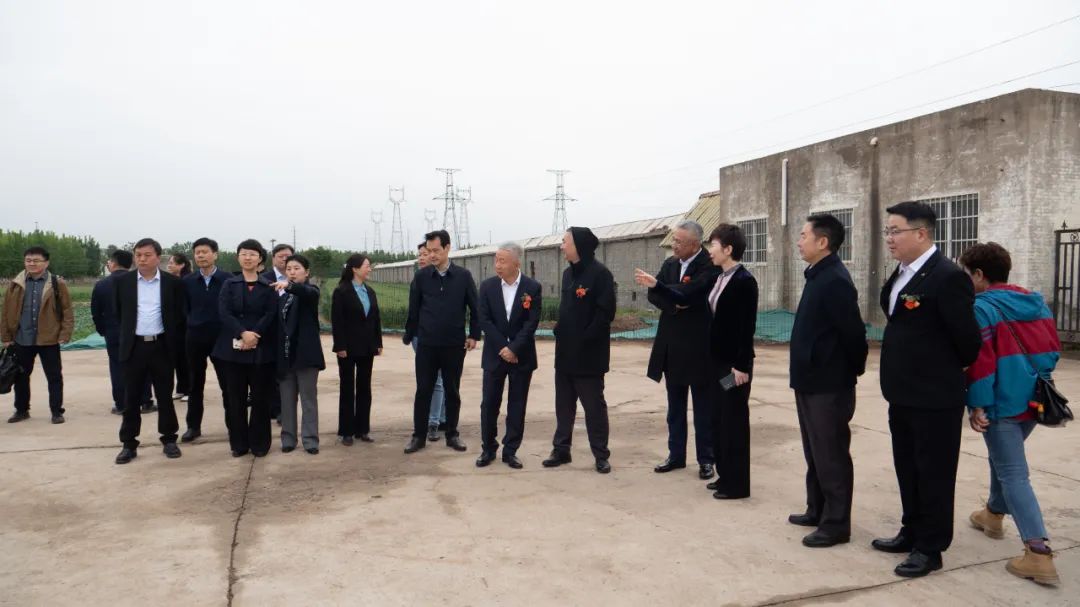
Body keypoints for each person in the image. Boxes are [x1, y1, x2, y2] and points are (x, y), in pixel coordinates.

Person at [872, 202, 982, 578]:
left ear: (921, 233)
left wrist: (939, 369)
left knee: (934, 473)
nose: (889, 238)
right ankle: (912, 530)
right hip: (902, 393)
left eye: (895, 231)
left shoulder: (947, 276)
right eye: (887, 231)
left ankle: (931, 547)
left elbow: (969, 342)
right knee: (908, 467)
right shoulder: (902, 273)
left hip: (935, 397)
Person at [961, 242, 1061, 586]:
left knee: (1014, 473)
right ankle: (992, 514)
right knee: (1003, 460)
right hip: (1034, 399)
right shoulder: (1036, 302)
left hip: (1001, 403)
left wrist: (978, 405)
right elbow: (1052, 350)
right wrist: (1034, 378)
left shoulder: (982, 308)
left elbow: (981, 364)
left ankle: (1038, 552)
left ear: (979, 275)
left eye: (966, 274)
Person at [788, 215, 868, 548]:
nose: (799, 241)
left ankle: (836, 524)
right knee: (815, 450)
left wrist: (848, 371)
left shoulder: (834, 279)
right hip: (810, 379)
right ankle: (817, 509)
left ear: (823, 242)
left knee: (831, 452)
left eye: (803, 235)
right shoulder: (817, 275)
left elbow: (853, 333)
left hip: (828, 384)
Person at [633, 219, 719, 480]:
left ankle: (706, 459)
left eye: (679, 241)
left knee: (703, 408)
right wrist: (673, 304)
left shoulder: (708, 266)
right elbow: (654, 295)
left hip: (699, 347)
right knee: (675, 407)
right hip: (672, 345)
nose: (674, 245)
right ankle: (676, 455)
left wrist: (667, 291)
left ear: (695, 244)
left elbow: (691, 292)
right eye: (674, 240)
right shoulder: (671, 264)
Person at [543, 227, 616, 474]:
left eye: (565, 242)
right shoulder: (567, 274)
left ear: (579, 246)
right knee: (563, 406)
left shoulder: (600, 275)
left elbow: (605, 314)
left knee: (593, 407)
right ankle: (561, 450)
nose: (561, 246)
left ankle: (601, 454)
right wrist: (560, 329)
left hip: (588, 356)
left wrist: (584, 338)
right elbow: (567, 309)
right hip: (565, 354)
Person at [402, 229, 480, 454]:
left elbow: (475, 308)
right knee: (423, 391)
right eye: (429, 251)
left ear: (447, 248)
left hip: (454, 345)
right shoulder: (422, 277)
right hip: (427, 345)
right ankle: (419, 436)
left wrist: (474, 335)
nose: (432, 255)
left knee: (452, 391)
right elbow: (414, 309)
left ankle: (452, 434)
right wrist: (410, 334)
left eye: (436, 250)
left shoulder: (463, 277)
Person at [113, 238, 187, 464]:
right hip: (134, 346)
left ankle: (169, 439)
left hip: (161, 346)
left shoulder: (172, 283)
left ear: (158, 257)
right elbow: (118, 313)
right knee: (131, 397)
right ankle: (128, 443)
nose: (142, 259)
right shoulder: (123, 282)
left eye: (147, 255)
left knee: (165, 396)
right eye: (138, 255)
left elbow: (179, 315)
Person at [475, 242, 542, 469]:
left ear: (516, 263)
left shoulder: (532, 288)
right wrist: (504, 347)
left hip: (521, 356)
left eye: (502, 261)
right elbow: (484, 320)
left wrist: (514, 349)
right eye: (496, 260)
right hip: (494, 355)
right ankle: (488, 448)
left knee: (517, 405)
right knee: (489, 404)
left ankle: (510, 450)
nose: (497, 265)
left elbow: (531, 322)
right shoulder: (488, 287)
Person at [214, 239, 278, 458]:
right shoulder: (229, 285)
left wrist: (255, 334)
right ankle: (239, 444)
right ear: (238, 257)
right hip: (233, 351)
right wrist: (242, 332)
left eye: (252, 254)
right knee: (235, 399)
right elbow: (224, 312)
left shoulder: (268, 286)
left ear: (260, 258)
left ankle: (260, 444)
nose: (248, 257)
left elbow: (270, 313)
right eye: (244, 253)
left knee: (261, 399)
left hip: (261, 350)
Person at [1, 246, 74, 424]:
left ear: (46, 263)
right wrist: (6, 336)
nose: (31, 263)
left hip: (49, 338)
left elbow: (67, 311)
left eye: (36, 260)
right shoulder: (16, 284)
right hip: (22, 338)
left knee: (54, 376)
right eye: (28, 260)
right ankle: (21, 410)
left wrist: (65, 333)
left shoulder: (57, 284)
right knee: (20, 376)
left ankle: (56, 411)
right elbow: (6, 312)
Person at [180, 238, 232, 442]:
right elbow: (183, 309)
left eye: (205, 251)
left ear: (215, 254)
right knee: (194, 384)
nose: (200, 255)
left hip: (221, 338)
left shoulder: (228, 280)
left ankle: (234, 426)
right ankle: (193, 426)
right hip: (195, 338)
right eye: (197, 252)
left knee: (228, 385)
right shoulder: (187, 281)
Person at [273, 254, 325, 454]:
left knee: (308, 400)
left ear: (307, 272)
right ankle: (288, 438)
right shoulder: (283, 298)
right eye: (289, 269)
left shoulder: (310, 292)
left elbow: (305, 292)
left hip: (306, 356)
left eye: (296, 269)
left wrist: (289, 285)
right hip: (286, 356)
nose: (292, 272)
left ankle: (310, 440)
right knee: (287, 400)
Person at [331, 254, 383, 446]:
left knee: (364, 388)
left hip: (367, 347)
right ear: (354, 268)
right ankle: (346, 431)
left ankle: (363, 429)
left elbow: (375, 319)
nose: (369, 269)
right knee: (347, 388)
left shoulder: (370, 291)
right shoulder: (341, 291)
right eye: (367, 266)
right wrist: (340, 346)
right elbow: (337, 321)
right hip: (348, 348)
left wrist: (378, 342)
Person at [410, 242, 447, 441]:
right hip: (420, 336)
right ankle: (438, 417)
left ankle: (435, 421)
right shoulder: (419, 278)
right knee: (429, 379)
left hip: (440, 338)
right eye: (420, 255)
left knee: (439, 379)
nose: (422, 258)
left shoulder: (443, 280)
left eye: (426, 254)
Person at [92, 249, 136, 414]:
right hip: (137, 331)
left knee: (117, 367)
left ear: (113, 263)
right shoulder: (137, 281)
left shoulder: (101, 284)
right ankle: (145, 401)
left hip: (113, 332)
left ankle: (121, 404)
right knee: (142, 366)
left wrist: (102, 330)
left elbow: (96, 312)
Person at [263, 244, 293, 422]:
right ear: (273, 258)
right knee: (270, 372)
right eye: (280, 256)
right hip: (270, 332)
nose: (284, 259)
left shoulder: (296, 279)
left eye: (288, 256)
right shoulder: (264, 279)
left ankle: (284, 409)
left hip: (291, 333)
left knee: (287, 373)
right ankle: (273, 408)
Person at [165, 252, 192, 399]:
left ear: (181, 265)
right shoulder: (173, 280)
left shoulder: (186, 281)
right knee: (177, 359)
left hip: (185, 325)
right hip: (175, 326)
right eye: (169, 263)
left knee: (185, 359)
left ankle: (189, 390)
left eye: (172, 263)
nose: (169, 265)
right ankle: (181, 388)